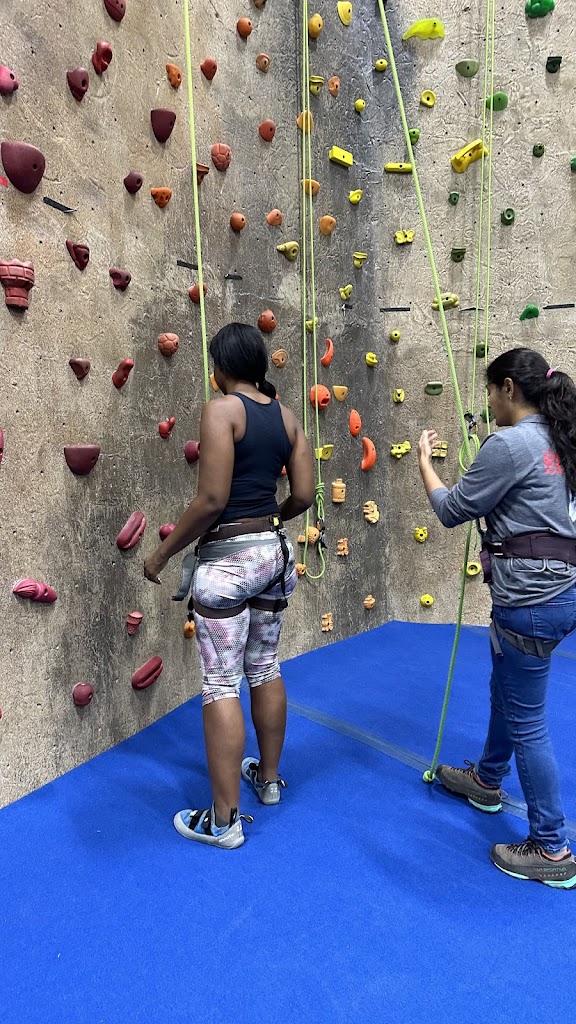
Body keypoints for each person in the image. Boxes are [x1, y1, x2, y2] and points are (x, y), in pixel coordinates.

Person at [144, 322, 314, 849]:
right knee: (264, 665)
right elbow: (304, 495)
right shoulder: (287, 418)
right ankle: (269, 780)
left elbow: (212, 499)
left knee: (221, 683)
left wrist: (162, 553)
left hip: (227, 563)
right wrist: (268, 520)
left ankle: (223, 821)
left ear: (221, 367)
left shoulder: (222, 411)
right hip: (274, 554)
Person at [418, 347, 576, 889]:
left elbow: (451, 510)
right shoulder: (564, 439)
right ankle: (487, 779)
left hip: (530, 599)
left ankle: (551, 847)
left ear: (509, 388)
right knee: (506, 689)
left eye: (490, 390)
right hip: (561, 591)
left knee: (528, 719)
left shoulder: (510, 444)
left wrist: (426, 464)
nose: (488, 402)